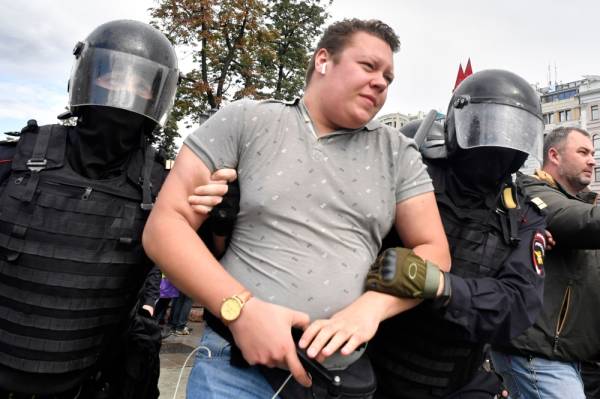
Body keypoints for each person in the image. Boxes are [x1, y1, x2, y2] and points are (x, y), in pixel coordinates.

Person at [193, 69, 548, 398]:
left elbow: (518, 305)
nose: (500, 142)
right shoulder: (408, 178)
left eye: (514, 130)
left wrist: (442, 287)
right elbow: (314, 231)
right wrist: (227, 216)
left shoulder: (523, 216)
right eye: (487, 125)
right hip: (370, 366)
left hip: (459, 380)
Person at [142, 18, 450, 398]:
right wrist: (240, 310)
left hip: (340, 377)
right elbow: (164, 226)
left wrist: (371, 309)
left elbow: (435, 252)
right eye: (369, 66)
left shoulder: (398, 153)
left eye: (388, 76)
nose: (381, 81)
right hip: (236, 371)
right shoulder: (246, 120)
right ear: (323, 60)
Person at [0, 20, 178, 398]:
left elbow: (181, 259)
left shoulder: (163, 188)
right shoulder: (12, 162)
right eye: (113, 78)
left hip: (88, 381)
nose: (125, 93)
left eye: (140, 83)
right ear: (87, 78)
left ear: (156, 95)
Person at [491, 126, 600, 399]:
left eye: (593, 154)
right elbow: (582, 222)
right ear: (555, 155)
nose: (592, 161)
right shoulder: (531, 193)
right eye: (583, 152)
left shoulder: (578, 202)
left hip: (570, 355)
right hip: (536, 351)